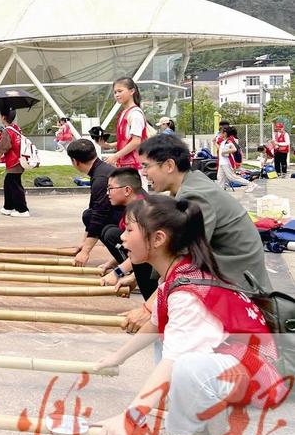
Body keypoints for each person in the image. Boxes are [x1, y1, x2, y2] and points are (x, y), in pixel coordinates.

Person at [94, 196, 286, 435]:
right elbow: (155, 325)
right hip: (237, 362)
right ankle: (193, 404)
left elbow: (174, 360)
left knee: (185, 365)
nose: (122, 239)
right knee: (172, 344)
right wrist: (118, 357)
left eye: (129, 230)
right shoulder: (177, 273)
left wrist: (131, 417)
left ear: (158, 239)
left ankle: (189, 434)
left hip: (259, 377)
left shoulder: (186, 293)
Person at [121, 134, 272, 334]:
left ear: (168, 165)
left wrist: (149, 308)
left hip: (239, 284)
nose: (144, 173)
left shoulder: (195, 196)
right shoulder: (187, 187)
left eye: (147, 166)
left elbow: (186, 259)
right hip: (226, 274)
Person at [96, 168, 155, 299]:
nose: (107, 193)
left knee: (111, 234)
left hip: (154, 267)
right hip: (147, 260)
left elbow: (145, 248)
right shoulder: (134, 207)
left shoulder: (142, 211)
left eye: (110, 188)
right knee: (109, 231)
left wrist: (117, 272)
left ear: (127, 190)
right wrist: (112, 264)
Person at [66, 139, 123, 267]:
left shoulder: (101, 178)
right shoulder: (101, 170)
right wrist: (84, 242)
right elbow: (94, 209)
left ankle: (127, 262)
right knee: (89, 214)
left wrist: (85, 252)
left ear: (75, 161)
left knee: (106, 230)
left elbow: (100, 215)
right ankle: (121, 260)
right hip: (124, 217)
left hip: (132, 224)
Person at [99, 77, 148, 172]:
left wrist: (115, 156)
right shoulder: (125, 113)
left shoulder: (135, 114)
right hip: (127, 164)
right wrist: (108, 145)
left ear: (132, 91)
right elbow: (127, 141)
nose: (117, 95)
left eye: (120, 91)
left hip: (135, 165)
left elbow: (136, 141)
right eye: (115, 92)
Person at [0, 105, 29, 218]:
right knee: (8, 183)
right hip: (18, 160)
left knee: (14, 185)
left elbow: (2, 148)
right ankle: (8, 207)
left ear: (3, 117)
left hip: (14, 162)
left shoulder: (7, 131)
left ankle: (22, 210)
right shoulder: (16, 128)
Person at [216, 125, 255, 191]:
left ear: (225, 134)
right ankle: (220, 191)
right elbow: (220, 150)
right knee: (220, 178)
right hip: (221, 164)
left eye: (221, 132)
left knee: (232, 178)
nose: (220, 134)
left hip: (226, 163)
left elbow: (234, 149)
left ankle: (250, 184)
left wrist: (224, 152)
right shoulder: (223, 142)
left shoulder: (228, 141)